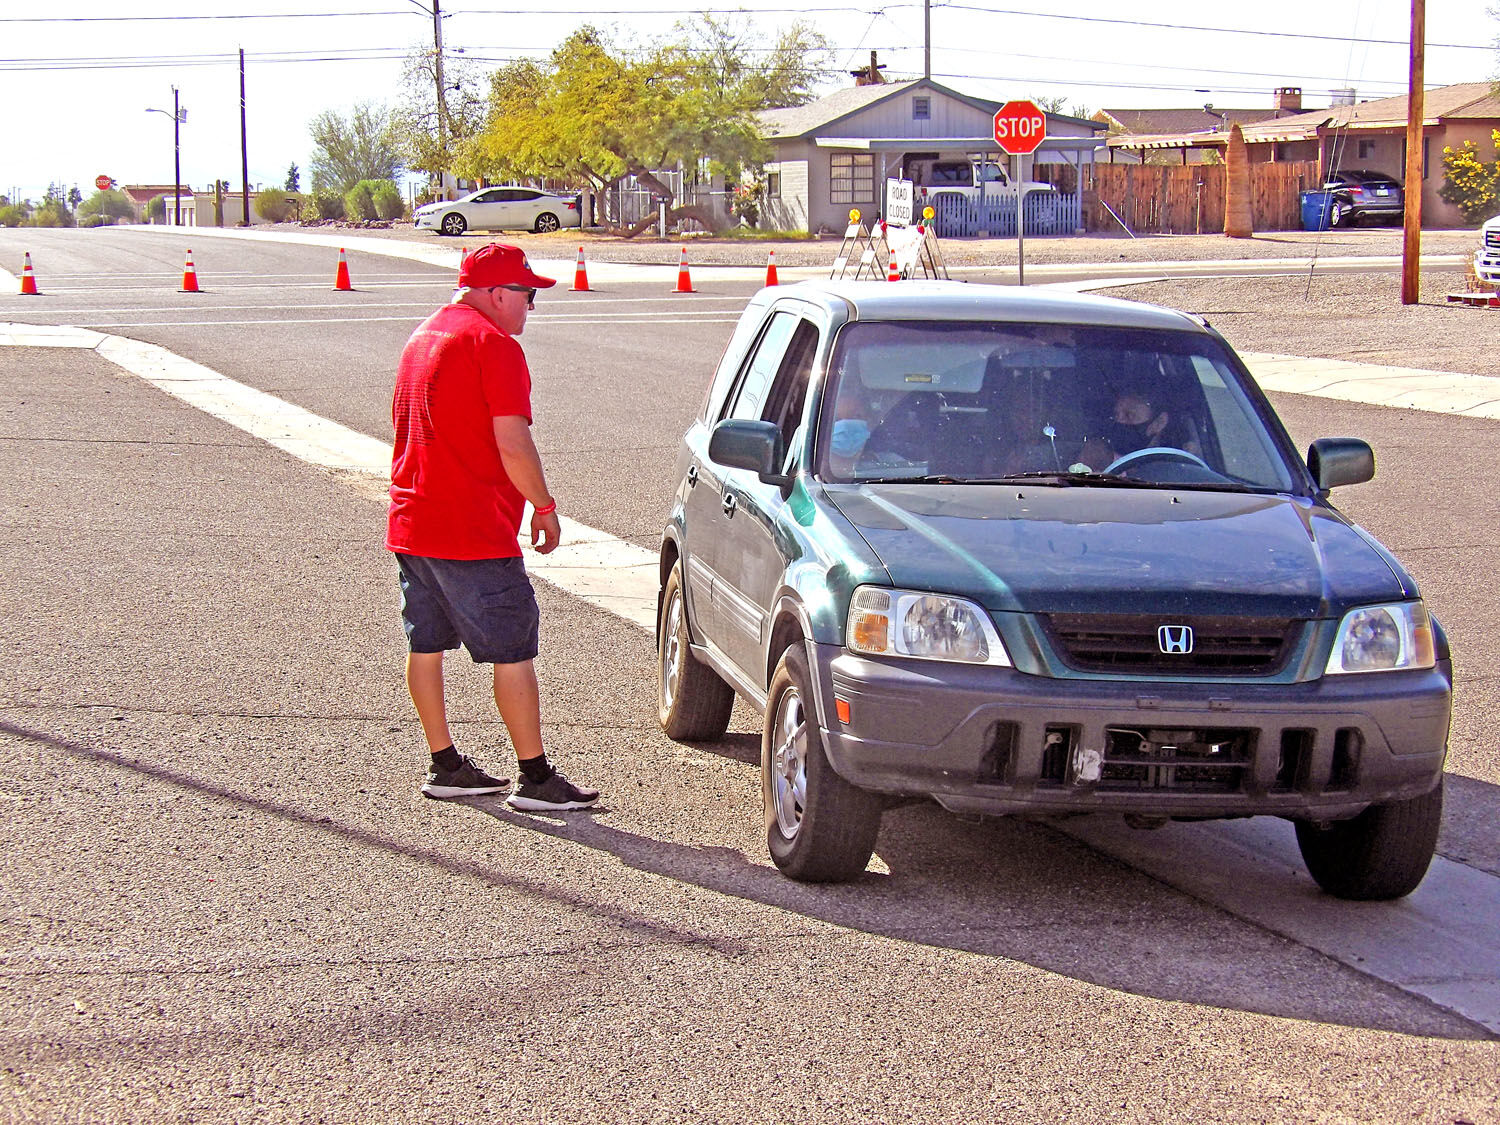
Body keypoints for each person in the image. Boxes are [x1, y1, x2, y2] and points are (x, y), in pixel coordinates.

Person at [387, 242, 600, 812]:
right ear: (497, 294)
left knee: (426, 642)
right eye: (528, 296)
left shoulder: (423, 336)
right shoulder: (493, 344)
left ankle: (446, 764)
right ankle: (534, 777)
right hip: (472, 525)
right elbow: (513, 440)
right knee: (512, 648)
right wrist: (545, 506)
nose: (530, 307)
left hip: (413, 519)